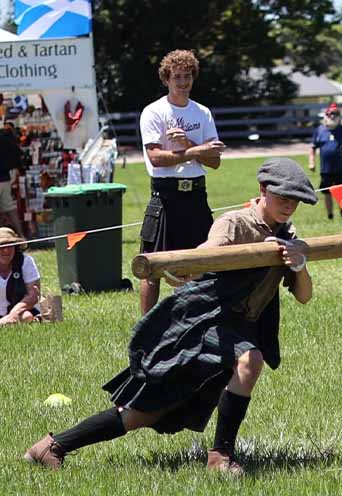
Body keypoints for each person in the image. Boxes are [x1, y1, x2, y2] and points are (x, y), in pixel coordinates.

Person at [24, 158, 318, 475]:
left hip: (240, 327)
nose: (289, 205)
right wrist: (187, 266)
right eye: (283, 197)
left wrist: (298, 263)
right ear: (263, 189)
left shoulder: (287, 232)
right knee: (250, 360)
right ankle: (220, 457)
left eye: (295, 200)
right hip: (207, 322)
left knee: (146, 414)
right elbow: (207, 252)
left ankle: (50, 446)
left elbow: (303, 296)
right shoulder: (234, 223)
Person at [138, 49, 226, 315]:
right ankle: (145, 328)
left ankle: (201, 318)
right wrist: (194, 152)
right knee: (152, 268)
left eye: (187, 76)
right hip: (166, 196)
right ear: (166, 79)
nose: (183, 82)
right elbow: (155, 157)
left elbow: (214, 161)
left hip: (197, 195)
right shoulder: (154, 112)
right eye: (177, 77)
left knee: (206, 261)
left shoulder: (202, 112)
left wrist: (189, 145)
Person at [309, 103, 342, 219]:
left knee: (340, 191)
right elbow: (313, 147)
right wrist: (312, 162)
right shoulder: (320, 130)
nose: (333, 116)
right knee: (327, 192)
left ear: (340, 115)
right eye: (330, 113)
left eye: (336, 114)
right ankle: (330, 215)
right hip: (325, 169)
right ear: (326, 115)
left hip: (340, 167)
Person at [0, 227, 40, 324]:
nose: (6, 251)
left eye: (10, 245)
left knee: (27, 317)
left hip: (20, 311)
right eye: (1, 246)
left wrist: (13, 315)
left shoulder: (26, 261)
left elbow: (34, 295)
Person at [0, 122, 23, 235]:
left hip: (4, 177)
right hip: (5, 178)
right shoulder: (5, 138)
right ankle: (21, 237)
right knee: (10, 209)